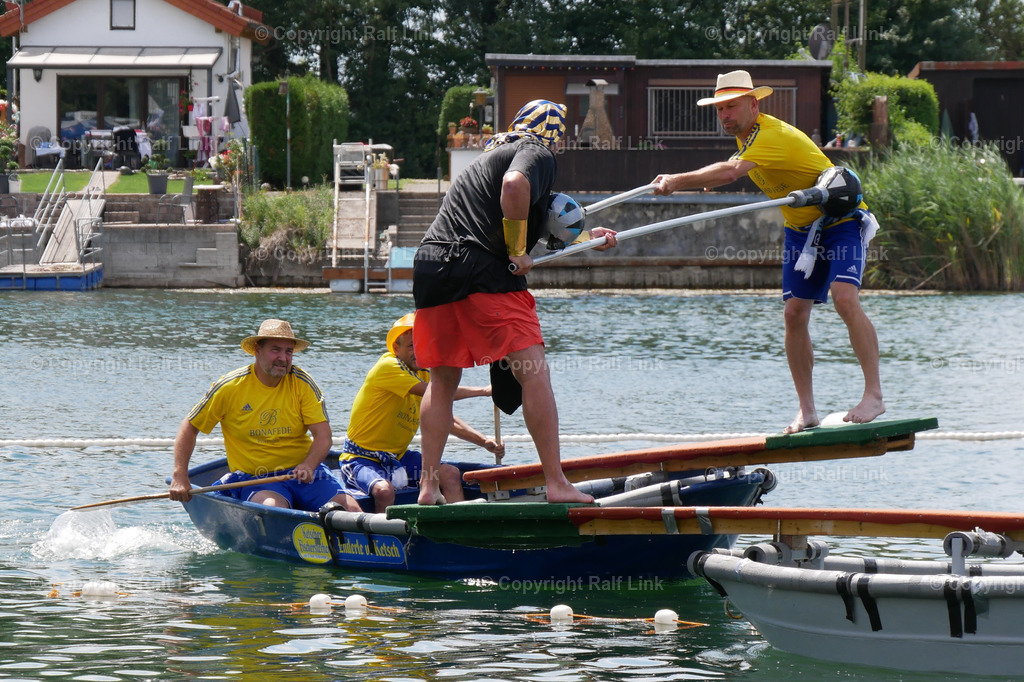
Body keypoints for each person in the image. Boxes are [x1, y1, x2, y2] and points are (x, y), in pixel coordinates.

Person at [651, 70, 885, 434]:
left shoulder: (771, 135)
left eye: (731, 106)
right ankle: (807, 411)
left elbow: (730, 173)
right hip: (800, 232)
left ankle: (874, 396)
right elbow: (730, 169)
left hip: (841, 222)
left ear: (753, 104)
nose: (725, 115)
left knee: (844, 298)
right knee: (793, 315)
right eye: (719, 109)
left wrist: (676, 180)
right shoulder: (748, 143)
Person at [412, 99, 618, 505]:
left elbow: (536, 213)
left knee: (442, 380)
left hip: (432, 266)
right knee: (533, 371)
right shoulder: (537, 151)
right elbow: (515, 187)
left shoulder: (485, 158)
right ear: (555, 137)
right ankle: (557, 483)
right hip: (479, 270)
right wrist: (518, 248)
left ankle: (428, 485)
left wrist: (585, 238)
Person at [169, 319, 360, 511]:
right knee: (274, 508)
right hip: (256, 478)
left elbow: (323, 436)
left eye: (288, 351)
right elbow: (190, 427)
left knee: (351, 509)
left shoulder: (303, 383)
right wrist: (179, 475)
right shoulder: (229, 387)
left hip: (304, 474)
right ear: (257, 351)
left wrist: (309, 465)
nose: (283, 358)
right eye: (275, 350)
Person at [339, 312, 505, 512]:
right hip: (361, 459)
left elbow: (443, 418)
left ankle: (458, 531)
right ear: (396, 349)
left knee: (450, 474)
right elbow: (438, 393)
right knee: (384, 491)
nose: (417, 351)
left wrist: (484, 441)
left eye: (421, 345)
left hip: (398, 457)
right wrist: (484, 391)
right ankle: (387, 540)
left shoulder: (425, 373)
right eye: (411, 346)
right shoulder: (388, 366)